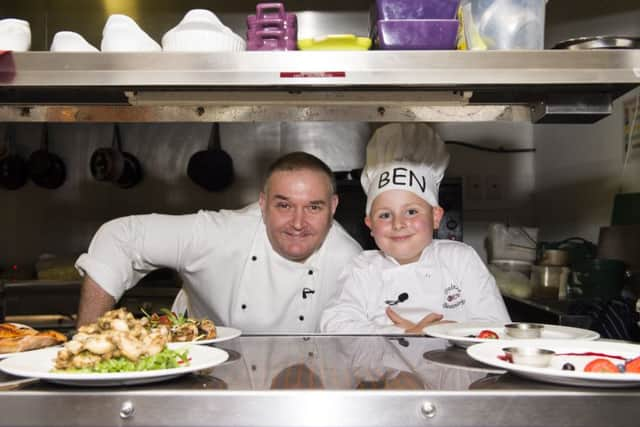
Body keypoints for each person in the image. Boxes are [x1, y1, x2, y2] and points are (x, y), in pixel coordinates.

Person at [75, 152, 362, 333]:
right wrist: (88, 345)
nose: (298, 223)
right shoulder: (218, 234)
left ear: (333, 207)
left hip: (302, 385)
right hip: (200, 374)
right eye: (284, 206)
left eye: (313, 207)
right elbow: (120, 237)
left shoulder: (350, 260)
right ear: (262, 204)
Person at [321, 123, 510, 334]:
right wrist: (406, 334)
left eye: (411, 212)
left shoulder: (460, 259)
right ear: (370, 225)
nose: (398, 223)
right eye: (385, 215)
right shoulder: (362, 269)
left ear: (436, 217)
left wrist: (434, 333)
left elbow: (498, 327)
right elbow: (335, 326)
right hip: (383, 367)